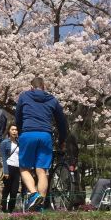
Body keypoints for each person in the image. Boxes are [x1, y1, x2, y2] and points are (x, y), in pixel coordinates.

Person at [15, 76, 68, 211]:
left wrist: (21, 132)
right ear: (44, 86)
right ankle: (40, 207)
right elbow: (62, 122)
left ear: (31, 87)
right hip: (45, 135)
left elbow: (18, 117)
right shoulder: (52, 99)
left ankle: (34, 194)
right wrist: (62, 140)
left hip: (28, 134)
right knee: (42, 170)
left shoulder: (24, 96)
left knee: (24, 168)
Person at [0, 124, 21, 212]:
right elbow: (3, 158)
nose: (14, 131)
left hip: (17, 168)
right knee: (6, 190)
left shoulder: (19, 143)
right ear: (9, 131)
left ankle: (11, 210)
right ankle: (3, 209)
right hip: (8, 167)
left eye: (16, 130)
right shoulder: (5, 142)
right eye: (12, 129)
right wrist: (5, 171)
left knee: (14, 191)